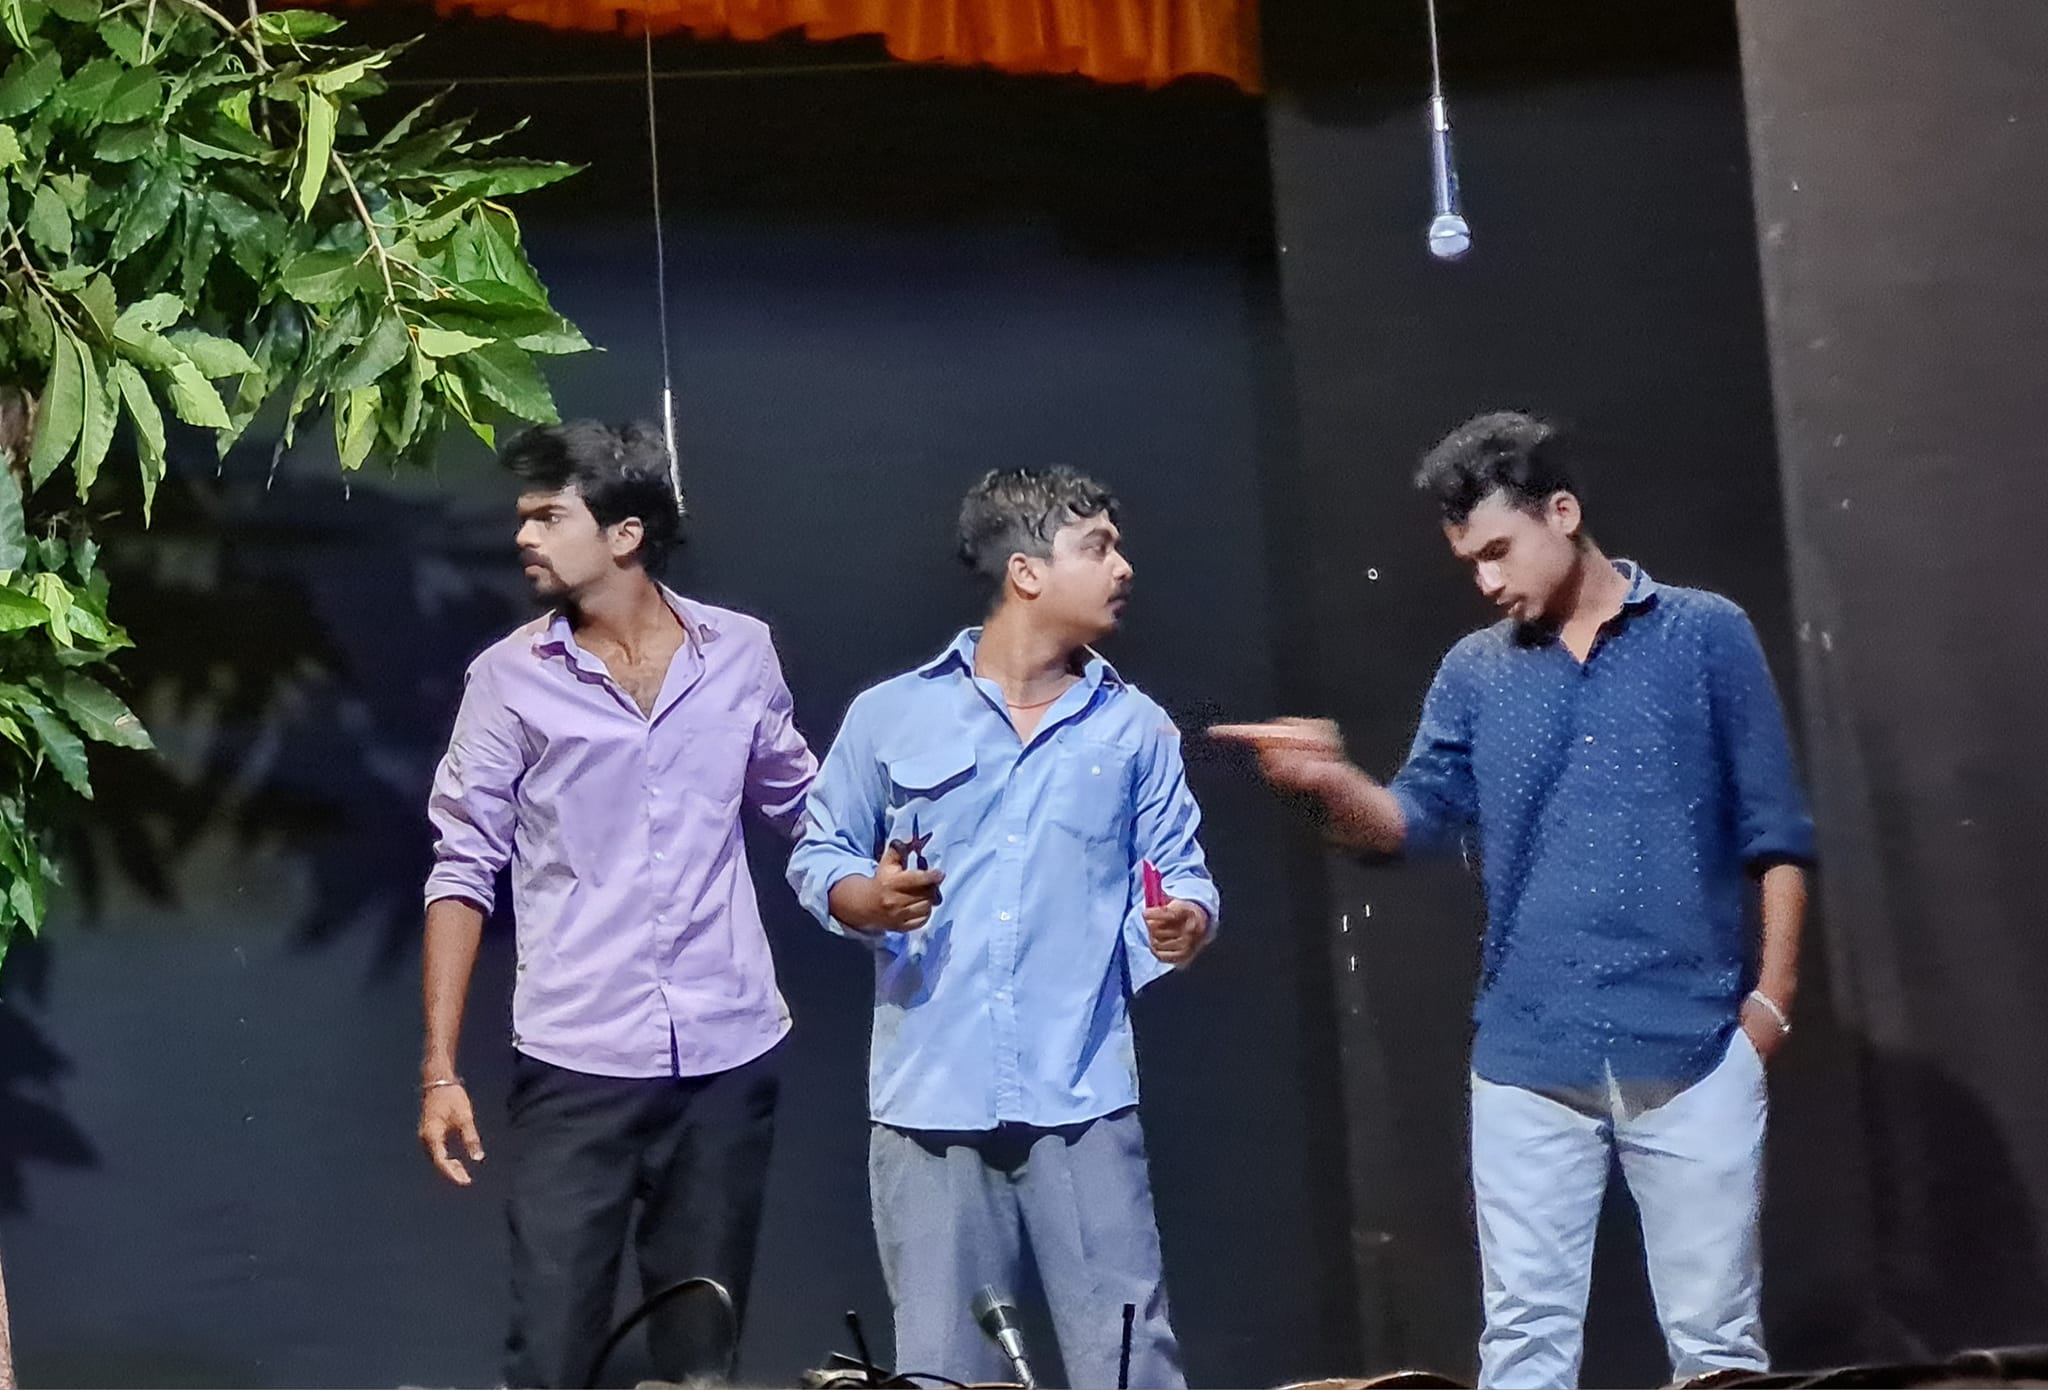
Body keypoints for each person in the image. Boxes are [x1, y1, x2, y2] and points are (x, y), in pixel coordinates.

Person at [1214, 412, 1814, 1390]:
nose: (1487, 581)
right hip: (1529, 1056)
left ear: (1561, 514)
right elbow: (1407, 823)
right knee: (1524, 1347)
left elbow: (1775, 829)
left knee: (1716, 1352)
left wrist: (1771, 1004)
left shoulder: (1703, 634)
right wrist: (1327, 786)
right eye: (1470, 563)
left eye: (1497, 551)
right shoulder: (1475, 671)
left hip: (1694, 1048)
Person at [788, 467, 1218, 1389]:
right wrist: (868, 899)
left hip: (1082, 1093)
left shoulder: (1134, 728)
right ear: (1026, 572)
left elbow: (1180, 870)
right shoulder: (891, 714)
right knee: (945, 1373)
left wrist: (1185, 918)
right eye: (1097, 548)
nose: (1123, 568)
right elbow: (818, 853)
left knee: (1129, 1362)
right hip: (930, 1098)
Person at [417, 421, 817, 1388]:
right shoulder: (509, 679)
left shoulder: (740, 653)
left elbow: (804, 807)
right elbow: (462, 867)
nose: (524, 536)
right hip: (578, 1060)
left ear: (625, 534)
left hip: (725, 1056)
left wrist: (880, 881)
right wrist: (440, 1068)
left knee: (701, 1360)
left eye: (549, 517)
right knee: (553, 1352)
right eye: (523, 518)